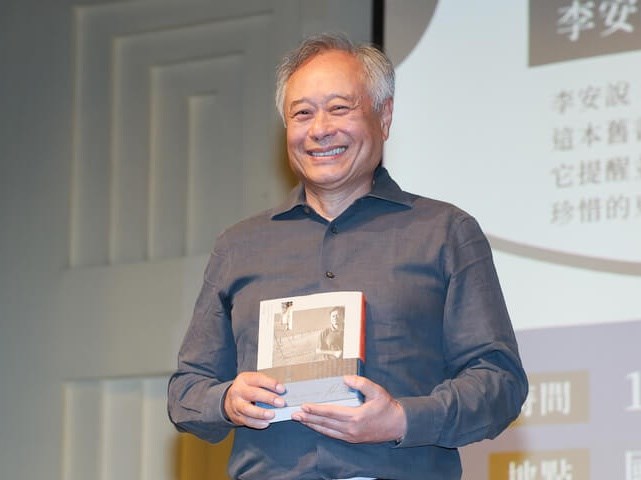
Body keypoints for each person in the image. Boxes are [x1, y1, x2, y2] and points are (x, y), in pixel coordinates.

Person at [167, 33, 528, 480]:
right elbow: (186, 391)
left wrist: (402, 419)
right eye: (302, 113)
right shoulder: (239, 246)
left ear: (384, 116)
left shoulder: (445, 232)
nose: (320, 129)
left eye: (339, 108)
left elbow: (500, 383)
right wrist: (226, 401)